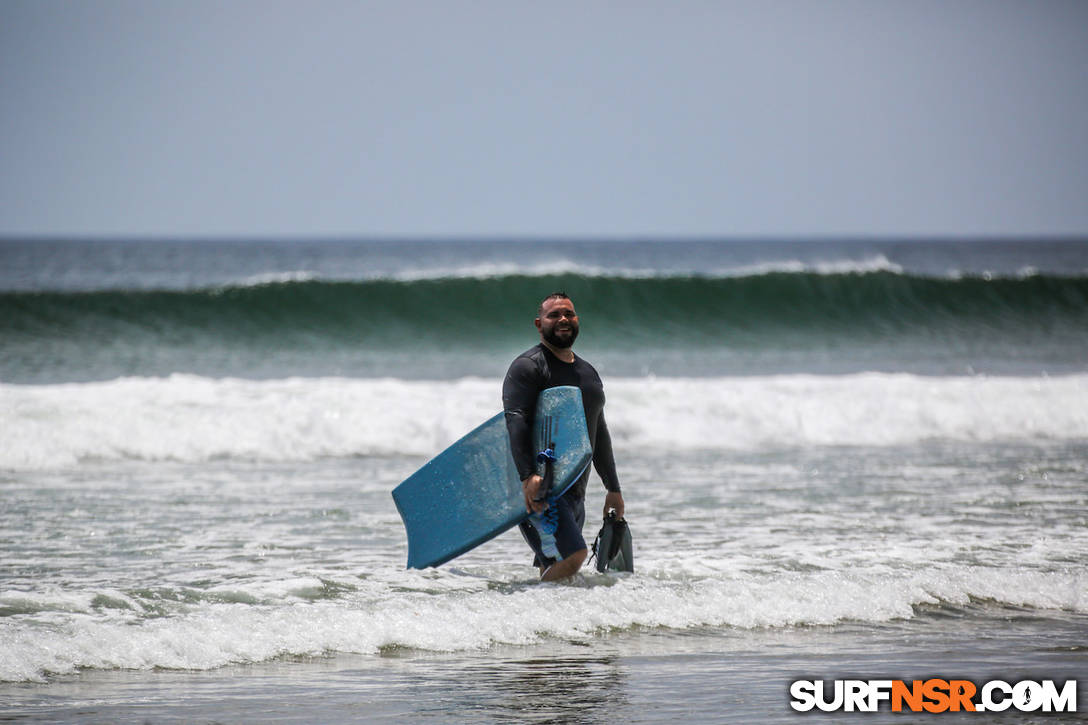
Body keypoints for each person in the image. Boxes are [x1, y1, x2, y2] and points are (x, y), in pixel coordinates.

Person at [502, 292, 625, 581]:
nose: (563, 320)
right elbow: (515, 420)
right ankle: (521, 606)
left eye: (568, 313)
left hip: (575, 488)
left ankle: (542, 621)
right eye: (554, 315)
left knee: (556, 567)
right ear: (538, 323)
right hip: (541, 489)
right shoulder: (528, 367)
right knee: (573, 556)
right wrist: (527, 476)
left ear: (577, 320)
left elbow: (599, 432)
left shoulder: (588, 374)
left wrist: (613, 488)